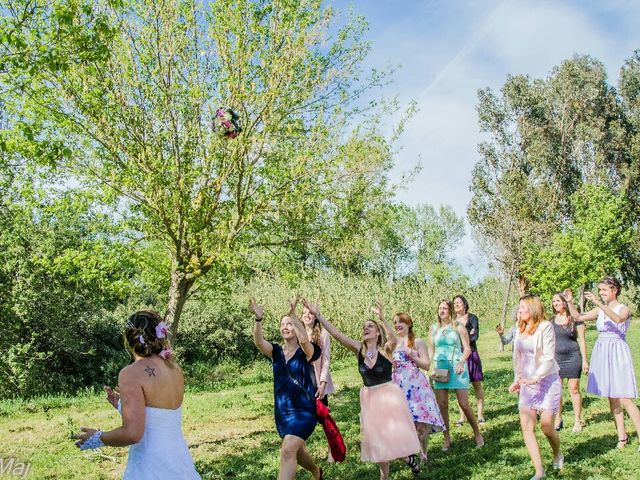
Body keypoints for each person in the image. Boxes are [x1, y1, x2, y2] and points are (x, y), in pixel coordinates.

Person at [72, 310, 200, 480]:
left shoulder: (130, 373)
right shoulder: (174, 368)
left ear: (128, 339)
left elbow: (133, 433)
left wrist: (97, 438)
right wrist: (122, 405)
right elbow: (160, 415)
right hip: (179, 463)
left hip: (150, 467)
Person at [304, 300, 421, 480]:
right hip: (370, 399)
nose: (365, 328)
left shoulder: (386, 350)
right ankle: (388, 474)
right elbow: (336, 334)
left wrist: (382, 319)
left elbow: (395, 339)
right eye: (364, 327)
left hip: (389, 397)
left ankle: (407, 459)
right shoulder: (358, 348)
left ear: (377, 332)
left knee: (393, 438)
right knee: (379, 441)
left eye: (370, 326)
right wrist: (318, 315)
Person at [250, 297, 323, 480]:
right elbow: (259, 342)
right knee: (295, 451)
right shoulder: (275, 352)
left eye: (289, 324)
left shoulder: (307, 350)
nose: (285, 327)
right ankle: (316, 471)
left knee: (288, 448)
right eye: (283, 324)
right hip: (282, 412)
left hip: (304, 411)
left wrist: (293, 316)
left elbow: (305, 341)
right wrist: (258, 320)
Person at [565, 277, 640, 449]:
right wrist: (570, 302)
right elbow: (578, 316)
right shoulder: (600, 309)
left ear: (614, 290)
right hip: (603, 351)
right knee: (611, 397)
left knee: (625, 397)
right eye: (599, 290)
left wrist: (599, 303)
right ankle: (622, 437)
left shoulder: (624, 308)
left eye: (604, 290)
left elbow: (618, 319)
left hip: (617, 351)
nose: (601, 293)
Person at [509, 295, 563, 480]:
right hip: (527, 384)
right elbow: (518, 358)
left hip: (547, 380)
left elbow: (549, 357)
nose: (520, 310)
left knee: (547, 426)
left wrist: (536, 377)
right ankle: (539, 470)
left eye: (523, 307)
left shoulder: (545, 327)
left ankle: (557, 454)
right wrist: (518, 379)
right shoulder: (519, 329)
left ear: (532, 308)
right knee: (527, 426)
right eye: (519, 307)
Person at [428, 299, 484, 451]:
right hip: (440, 367)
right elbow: (431, 350)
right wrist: (429, 366)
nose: (442, 311)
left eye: (445, 308)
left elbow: (467, 349)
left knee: (464, 403)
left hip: (457, 367)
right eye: (440, 308)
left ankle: (477, 433)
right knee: (442, 405)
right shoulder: (433, 329)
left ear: (450, 310)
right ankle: (447, 438)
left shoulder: (459, 327)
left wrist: (461, 362)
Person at [391, 312, 446, 463]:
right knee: (405, 423)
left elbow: (427, 365)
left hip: (416, 387)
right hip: (399, 387)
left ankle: (424, 454)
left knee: (420, 424)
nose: (397, 325)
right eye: (395, 322)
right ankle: (412, 453)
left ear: (408, 324)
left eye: (400, 322)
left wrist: (412, 355)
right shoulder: (393, 344)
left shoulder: (417, 342)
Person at [301, 303, 336, 462]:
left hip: (317, 381)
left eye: (310, 313)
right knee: (301, 418)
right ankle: (301, 453)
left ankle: (331, 451)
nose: (307, 315)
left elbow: (326, 359)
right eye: (304, 313)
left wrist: (322, 382)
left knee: (324, 419)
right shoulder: (298, 334)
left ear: (315, 316)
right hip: (301, 382)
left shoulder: (322, 333)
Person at [549, 293, 588, 433]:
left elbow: (582, 340)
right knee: (557, 390)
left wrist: (585, 360)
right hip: (556, 359)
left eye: (558, 300)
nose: (555, 303)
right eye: (553, 301)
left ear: (565, 302)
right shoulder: (551, 320)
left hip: (573, 357)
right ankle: (558, 418)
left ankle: (578, 420)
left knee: (574, 389)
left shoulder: (576, 319)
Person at [453, 295, 485, 425]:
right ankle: (462, 417)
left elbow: (475, 336)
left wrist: (464, 337)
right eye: (454, 303)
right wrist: (467, 333)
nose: (456, 304)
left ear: (465, 304)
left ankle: (480, 415)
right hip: (458, 356)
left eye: (459, 302)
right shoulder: (453, 321)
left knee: (476, 384)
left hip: (472, 354)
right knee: (460, 385)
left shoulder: (472, 318)